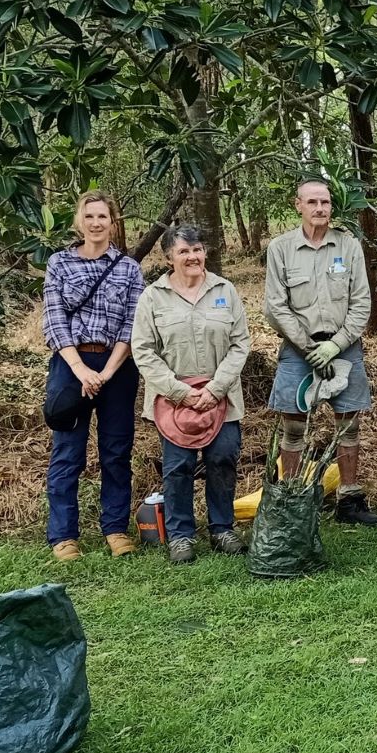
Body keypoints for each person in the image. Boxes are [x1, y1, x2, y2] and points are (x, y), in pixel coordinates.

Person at [131, 224, 251, 564]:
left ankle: (222, 529)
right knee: (178, 467)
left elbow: (241, 343)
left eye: (197, 250)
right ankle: (181, 535)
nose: (192, 257)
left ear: (205, 253)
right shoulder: (154, 297)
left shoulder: (224, 290)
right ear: (169, 257)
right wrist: (179, 392)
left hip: (221, 395)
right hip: (173, 400)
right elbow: (143, 350)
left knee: (223, 459)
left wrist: (215, 388)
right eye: (184, 251)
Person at [263, 178, 377, 525]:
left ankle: (349, 499)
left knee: (349, 423)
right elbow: (275, 306)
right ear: (297, 204)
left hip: (344, 346)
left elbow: (362, 302)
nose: (320, 209)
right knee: (293, 425)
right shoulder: (281, 248)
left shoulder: (348, 246)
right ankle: (293, 499)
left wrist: (336, 344)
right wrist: (309, 345)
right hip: (300, 348)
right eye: (312, 202)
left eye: (325, 202)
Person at [42, 190, 145, 561]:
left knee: (116, 451)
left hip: (117, 366)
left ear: (113, 222)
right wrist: (82, 370)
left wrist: (107, 370)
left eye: (103, 217)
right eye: (90, 217)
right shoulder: (59, 264)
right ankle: (63, 536)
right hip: (71, 366)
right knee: (68, 451)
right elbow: (54, 320)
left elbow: (133, 325)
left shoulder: (128, 268)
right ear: (79, 222)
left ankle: (115, 528)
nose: (97, 223)